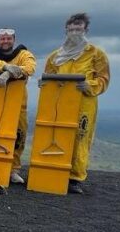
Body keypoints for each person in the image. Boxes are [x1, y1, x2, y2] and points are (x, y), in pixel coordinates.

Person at [42, 13, 111, 194]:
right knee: (56, 135)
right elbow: (47, 76)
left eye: (78, 29)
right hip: (60, 102)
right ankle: (53, 170)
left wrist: (89, 85)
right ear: (66, 30)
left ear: (85, 30)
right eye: (71, 29)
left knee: (80, 137)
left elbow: (104, 78)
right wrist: (44, 84)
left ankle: (74, 177)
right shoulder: (55, 56)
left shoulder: (96, 54)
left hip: (84, 103)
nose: (74, 32)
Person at [0, 27, 37, 184]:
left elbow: (30, 68)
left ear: (14, 40)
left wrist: (10, 73)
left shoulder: (24, 54)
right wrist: (4, 67)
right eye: (2, 39)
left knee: (18, 136)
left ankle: (13, 169)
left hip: (18, 103)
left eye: (8, 39)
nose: (5, 41)